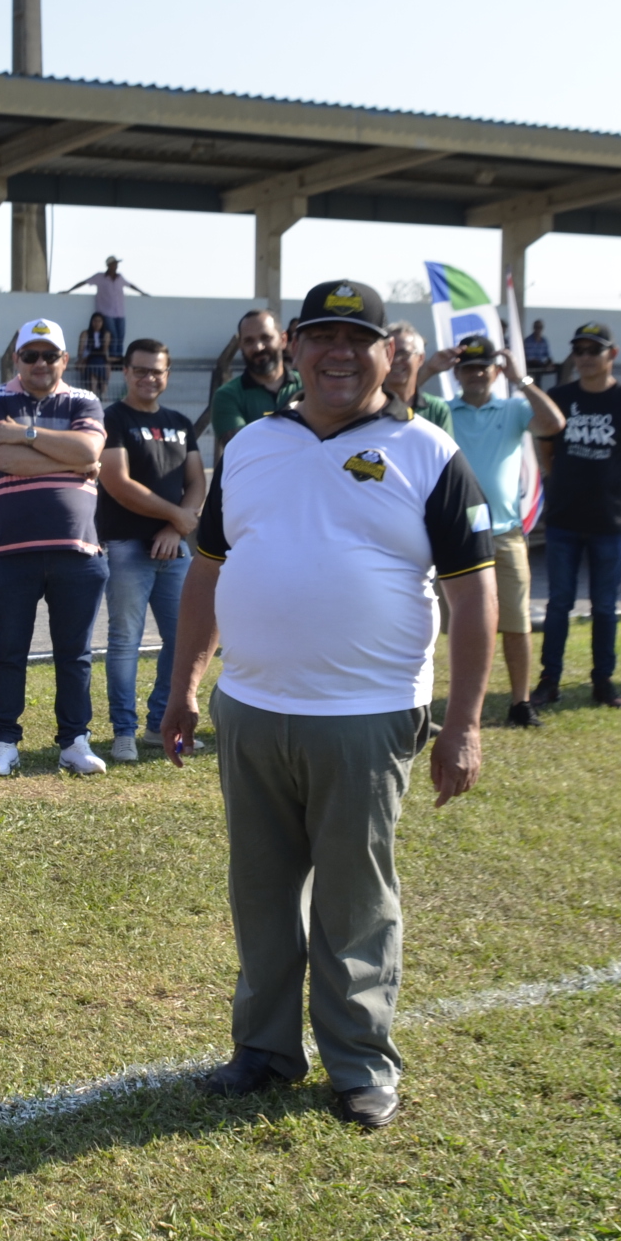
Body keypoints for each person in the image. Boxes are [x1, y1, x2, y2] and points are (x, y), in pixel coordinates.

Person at [158, 277, 495, 1131]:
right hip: (252, 709)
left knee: (354, 898)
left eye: (358, 338)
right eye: (321, 337)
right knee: (261, 893)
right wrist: (185, 685)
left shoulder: (427, 453)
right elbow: (207, 569)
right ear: (294, 349)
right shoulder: (253, 446)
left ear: (389, 352)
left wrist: (463, 726)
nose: (338, 353)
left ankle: (360, 1064)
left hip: (368, 715)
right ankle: (265, 1051)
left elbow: (475, 597)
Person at [0, 317, 109, 777]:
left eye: (49, 355)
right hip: (9, 551)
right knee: (8, 650)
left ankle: (74, 740)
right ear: (17, 359)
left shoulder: (85, 399)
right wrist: (70, 460)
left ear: (64, 360)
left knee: (75, 653)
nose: (39, 363)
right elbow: (1, 457)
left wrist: (25, 433)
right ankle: (3, 742)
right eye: (30, 355)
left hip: (77, 551)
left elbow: (90, 451)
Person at [535, 322, 621, 710]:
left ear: (613, 355)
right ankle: (548, 680)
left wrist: (617, 490)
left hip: (609, 522)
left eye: (595, 350)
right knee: (559, 604)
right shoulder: (558, 396)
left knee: (605, 606)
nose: (586, 357)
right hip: (563, 520)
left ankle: (603, 681)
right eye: (580, 350)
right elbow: (545, 452)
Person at [95, 339, 205, 763]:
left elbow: (196, 482)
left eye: (156, 370)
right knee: (125, 640)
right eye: (140, 370)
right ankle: (123, 731)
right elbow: (118, 483)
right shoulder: (113, 418)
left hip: (174, 550)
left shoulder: (180, 421)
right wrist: (178, 518)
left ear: (167, 374)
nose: (148, 378)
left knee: (185, 640)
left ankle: (163, 726)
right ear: (126, 372)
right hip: (127, 548)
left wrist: (174, 528)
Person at [446, 334, 564, 727]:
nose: (476, 374)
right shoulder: (444, 411)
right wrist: (428, 369)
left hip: (505, 533)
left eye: (483, 367)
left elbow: (554, 423)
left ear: (496, 372)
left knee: (516, 622)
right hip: (457, 533)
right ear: (457, 373)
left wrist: (523, 379)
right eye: (468, 367)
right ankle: (450, 703)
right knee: (450, 625)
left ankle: (520, 702)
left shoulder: (513, 408)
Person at [209, 308, 297, 464]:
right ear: (240, 346)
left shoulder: (309, 385)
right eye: (249, 341)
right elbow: (244, 451)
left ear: (283, 339)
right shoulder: (228, 396)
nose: (258, 347)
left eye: (266, 338)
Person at [66, 255, 147, 357]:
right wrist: (69, 291)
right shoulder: (99, 277)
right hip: (106, 313)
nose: (116, 265)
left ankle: (118, 360)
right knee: (113, 336)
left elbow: (130, 285)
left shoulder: (120, 277)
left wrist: (142, 293)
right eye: (114, 263)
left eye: (116, 264)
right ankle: (113, 360)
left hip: (120, 313)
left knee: (120, 337)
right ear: (109, 265)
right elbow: (84, 282)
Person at [384, 322, 452, 435]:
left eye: (403, 353)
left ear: (420, 358)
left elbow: (444, 452)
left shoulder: (436, 410)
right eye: (389, 353)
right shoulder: (366, 407)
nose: (395, 360)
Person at [76, 310, 114, 402]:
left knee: (104, 366)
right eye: (95, 321)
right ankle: (96, 393)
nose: (97, 323)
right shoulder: (85, 333)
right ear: (91, 322)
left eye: (99, 321)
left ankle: (101, 393)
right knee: (94, 367)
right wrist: (82, 359)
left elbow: (104, 350)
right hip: (88, 358)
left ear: (103, 323)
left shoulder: (106, 334)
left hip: (100, 358)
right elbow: (81, 351)